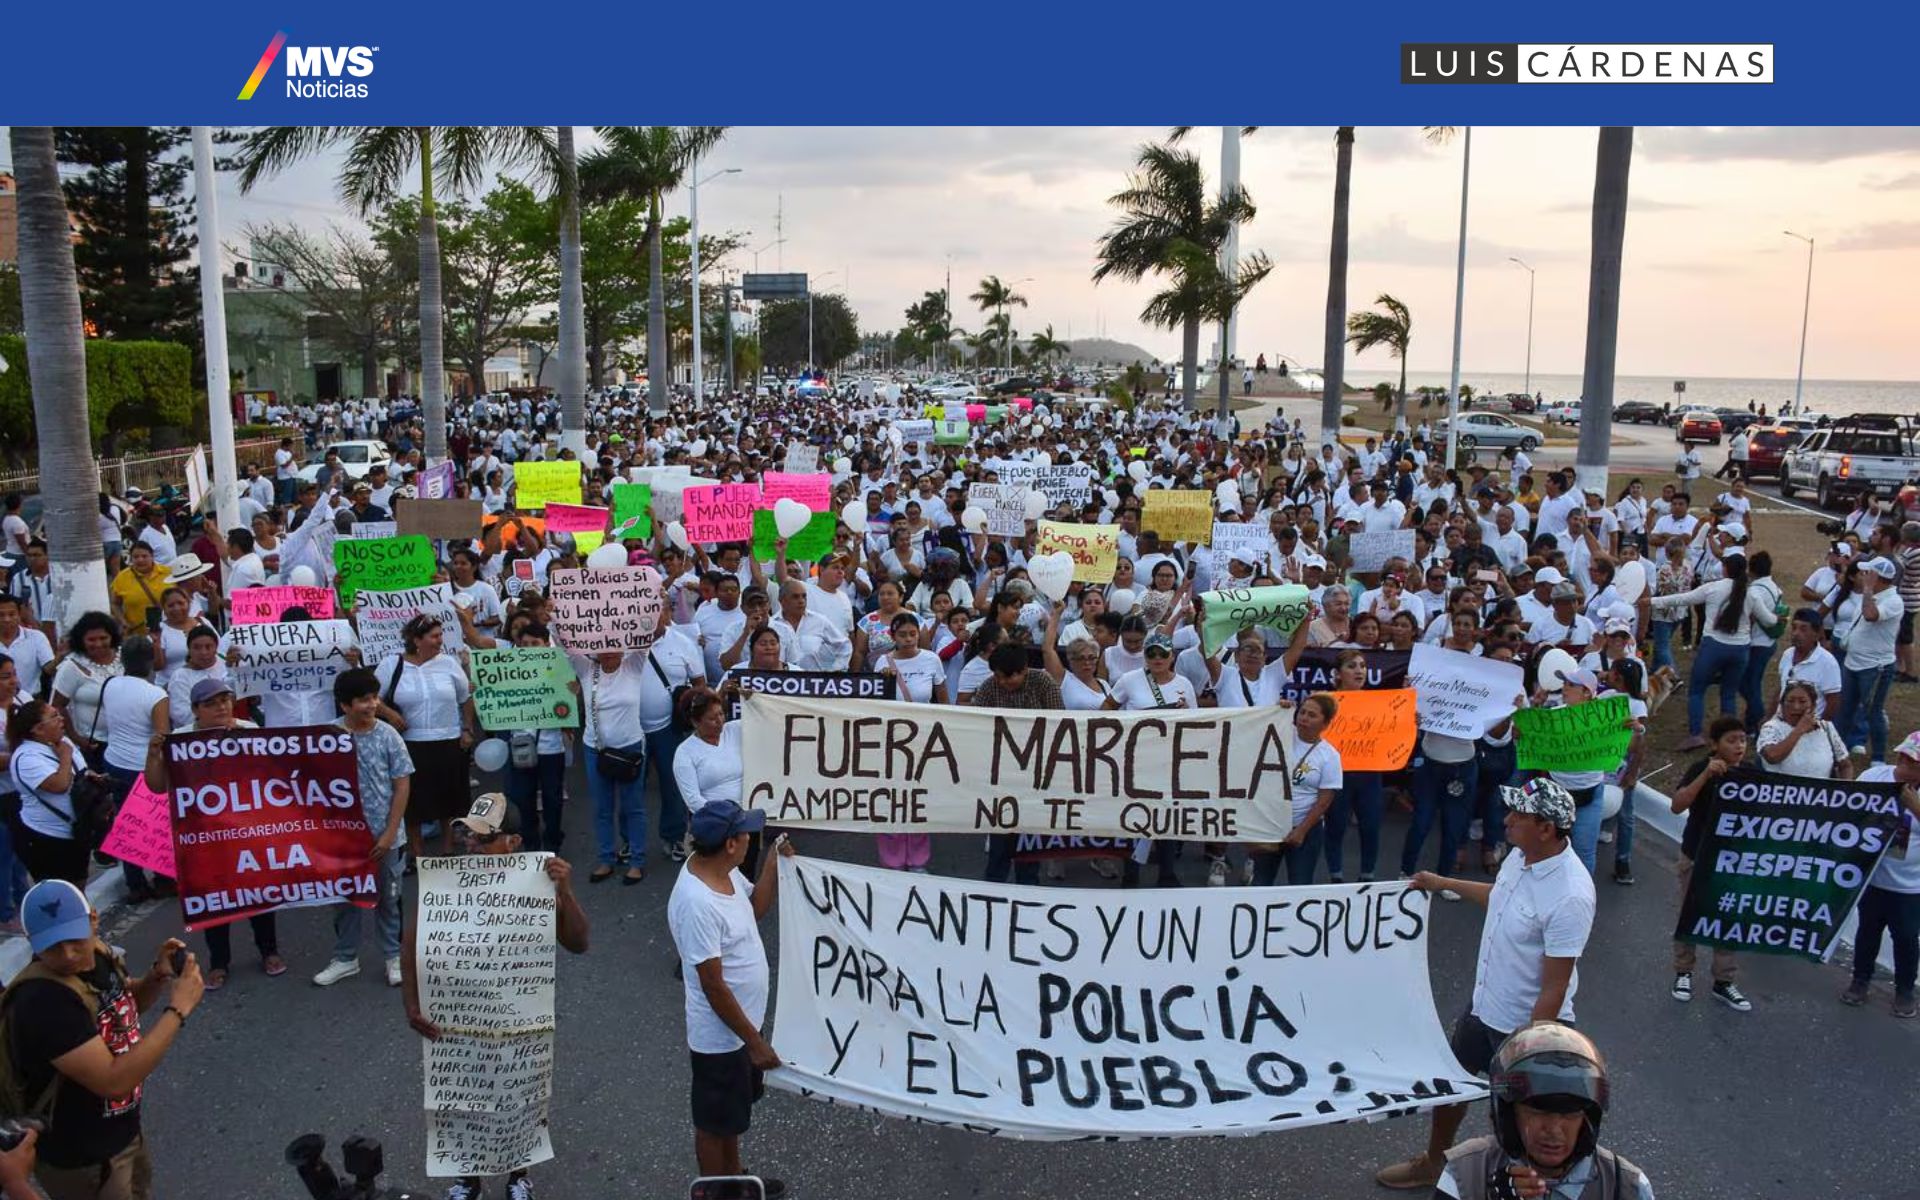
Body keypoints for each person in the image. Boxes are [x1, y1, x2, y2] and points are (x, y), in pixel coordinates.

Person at [1376, 778, 1595, 1192]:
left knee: (1515, 1121)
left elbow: (1555, 985)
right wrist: (1444, 883)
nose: (1506, 820)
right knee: (1451, 1090)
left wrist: (1526, 1052)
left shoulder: (1570, 895)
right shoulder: (1521, 855)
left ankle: (1512, 1187)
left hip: (1524, 1028)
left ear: (1546, 828)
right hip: (1482, 1010)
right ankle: (1434, 1161)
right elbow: (1502, 897)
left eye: (1518, 815)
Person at [401, 794, 588, 1200]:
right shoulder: (446, 881)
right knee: (462, 1095)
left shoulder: (538, 882)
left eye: (484, 838)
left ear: (513, 843)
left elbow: (578, 943)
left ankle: (517, 1174)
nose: (472, 843)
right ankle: (467, 1178)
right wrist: (412, 1005)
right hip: (456, 1019)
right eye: (468, 834)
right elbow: (412, 941)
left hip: (517, 1019)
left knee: (516, 1096)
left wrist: (566, 892)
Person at [0, 879, 203, 1200]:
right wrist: (178, 1008)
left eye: (73, 939)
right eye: (51, 947)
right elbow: (113, 1080)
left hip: (122, 1132)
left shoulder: (99, 956)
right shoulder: (43, 1001)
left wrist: (157, 976)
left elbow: (123, 1007)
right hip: (83, 1157)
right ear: (30, 942)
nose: (67, 954)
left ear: (93, 920)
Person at [667, 801, 794, 1198]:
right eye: (746, 834)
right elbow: (713, 985)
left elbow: (754, 908)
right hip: (721, 1038)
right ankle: (715, 1190)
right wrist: (754, 1042)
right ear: (729, 844)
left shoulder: (722, 872)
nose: (750, 839)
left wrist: (772, 861)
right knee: (713, 1122)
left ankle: (735, 1177)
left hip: (742, 1028)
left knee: (732, 1116)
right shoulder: (697, 902)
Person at [142, 678, 285, 990]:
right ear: (195, 710)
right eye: (211, 703)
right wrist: (154, 755)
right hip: (204, 837)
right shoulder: (178, 740)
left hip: (247, 832)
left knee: (259, 894)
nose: (221, 707)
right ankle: (219, 962)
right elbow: (155, 786)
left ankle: (269, 951)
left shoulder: (248, 731)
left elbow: (272, 775)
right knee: (214, 898)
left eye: (225, 700)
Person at [1436, 1024, 1653, 1200]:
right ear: (1508, 1115)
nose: (1554, 1130)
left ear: (1588, 1119)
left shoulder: (1628, 1189)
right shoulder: (1464, 1174)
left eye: (1569, 1113)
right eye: (1538, 1111)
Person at [312, 668, 412, 988]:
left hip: (387, 837)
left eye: (374, 698)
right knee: (345, 901)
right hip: (343, 840)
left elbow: (402, 787)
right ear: (345, 705)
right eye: (363, 700)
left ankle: (393, 957)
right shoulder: (327, 738)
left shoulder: (388, 736)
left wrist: (388, 833)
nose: (372, 705)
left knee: (388, 899)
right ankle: (345, 958)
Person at [1666, 715, 1753, 1012]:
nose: (1739, 746)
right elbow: (1677, 805)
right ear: (1715, 745)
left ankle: (1724, 981)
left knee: (1727, 919)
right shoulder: (1699, 769)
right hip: (1697, 856)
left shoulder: (1752, 774)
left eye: (1742, 740)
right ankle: (1683, 973)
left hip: (1732, 862)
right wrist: (1705, 776)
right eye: (1731, 740)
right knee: (1688, 915)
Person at [374, 614, 477, 859]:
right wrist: (388, 713)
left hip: (448, 739)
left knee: (449, 798)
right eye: (434, 636)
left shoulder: (449, 664)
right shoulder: (392, 665)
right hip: (409, 743)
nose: (440, 641)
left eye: (441, 635)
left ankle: (448, 850)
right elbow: (371, 696)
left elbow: (465, 698)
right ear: (416, 640)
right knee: (414, 802)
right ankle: (416, 853)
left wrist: (467, 729)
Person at [1842, 730, 1920, 1018]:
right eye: (1902, 755)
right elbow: (1847, 809)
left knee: (1906, 938)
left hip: (1911, 886)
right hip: (1873, 876)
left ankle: (1904, 990)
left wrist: (1915, 807)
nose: (1903, 761)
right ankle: (1860, 980)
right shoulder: (1875, 778)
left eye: (1912, 760)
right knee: (1868, 931)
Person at [1249, 693, 1342, 887]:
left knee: (1299, 884)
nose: (1304, 718)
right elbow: (1258, 724)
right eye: (1302, 712)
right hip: (1270, 823)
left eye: (1312, 715)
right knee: (1261, 882)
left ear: (1325, 724)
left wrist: (1301, 830)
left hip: (1305, 829)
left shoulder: (1330, 756)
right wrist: (1277, 708)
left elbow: (1324, 800)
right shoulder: (1281, 732)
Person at [5, 700, 92, 887]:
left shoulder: (63, 742)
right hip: (46, 838)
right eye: (54, 716)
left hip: (76, 832)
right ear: (37, 729)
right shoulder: (26, 757)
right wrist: (66, 756)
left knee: (79, 887)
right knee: (60, 896)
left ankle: (84, 917)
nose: (61, 719)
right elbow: (59, 784)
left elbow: (81, 773)